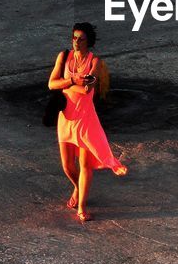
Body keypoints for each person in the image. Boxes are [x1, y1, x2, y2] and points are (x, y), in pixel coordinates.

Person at [48, 22, 126, 222]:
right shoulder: (63, 57)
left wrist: (67, 84)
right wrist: (73, 81)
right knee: (67, 166)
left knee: (84, 164)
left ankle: (81, 207)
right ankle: (77, 188)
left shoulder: (95, 62)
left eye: (81, 39)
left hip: (85, 118)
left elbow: (87, 90)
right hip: (66, 116)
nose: (76, 42)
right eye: (74, 37)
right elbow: (51, 83)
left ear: (88, 42)